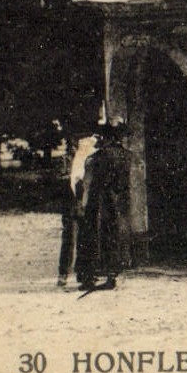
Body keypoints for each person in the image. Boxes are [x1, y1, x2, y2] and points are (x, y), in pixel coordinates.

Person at [74, 122, 131, 293]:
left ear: (107, 137)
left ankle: (90, 277)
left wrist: (81, 202)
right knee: (113, 236)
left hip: (99, 201)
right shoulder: (126, 155)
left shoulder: (98, 157)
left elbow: (88, 182)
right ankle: (112, 276)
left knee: (93, 237)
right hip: (117, 200)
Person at [57, 130, 98, 287]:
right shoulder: (66, 160)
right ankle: (63, 273)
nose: (74, 147)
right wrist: (70, 179)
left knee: (85, 240)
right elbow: (61, 179)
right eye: (73, 144)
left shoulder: (90, 159)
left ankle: (82, 273)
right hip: (72, 205)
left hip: (86, 205)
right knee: (69, 239)